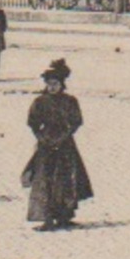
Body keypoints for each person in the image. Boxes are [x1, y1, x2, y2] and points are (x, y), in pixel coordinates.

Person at [22, 59, 93, 231]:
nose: (52, 87)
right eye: (49, 84)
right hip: (45, 144)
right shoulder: (40, 102)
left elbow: (77, 121)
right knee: (45, 180)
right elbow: (32, 122)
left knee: (66, 179)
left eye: (55, 84)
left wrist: (64, 136)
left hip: (66, 144)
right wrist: (41, 137)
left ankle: (64, 216)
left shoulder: (70, 101)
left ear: (62, 84)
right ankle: (46, 218)